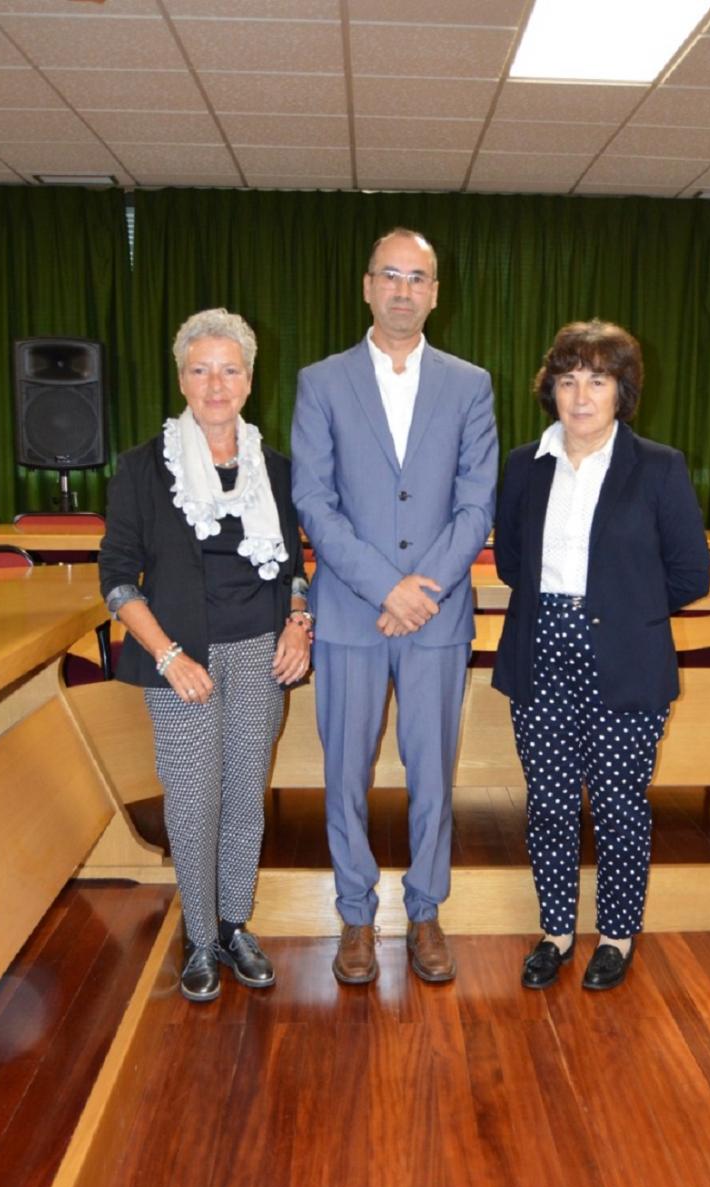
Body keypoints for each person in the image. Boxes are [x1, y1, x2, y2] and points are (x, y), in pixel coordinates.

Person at [291, 228, 498, 985]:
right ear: (368, 286)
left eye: (419, 278)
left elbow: (477, 504)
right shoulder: (322, 381)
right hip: (350, 612)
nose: (404, 290)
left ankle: (425, 911)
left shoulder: (471, 383)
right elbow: (313, 498)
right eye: (391, 275)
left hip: (437, 616)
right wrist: (387, 586)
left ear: (436, 293)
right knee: (345, 769)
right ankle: (354, 915)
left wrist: (422, 590)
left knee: (432, 771)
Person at [492, 319, 710, 992]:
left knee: (618, 806)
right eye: (567, 379)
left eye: (597, 379)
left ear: (622, 390)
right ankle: (557, 931)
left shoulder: (658, 467)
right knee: (551, 803)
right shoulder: (524, 466)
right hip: (541, 650)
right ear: (550, 389)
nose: (580, 395)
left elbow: (690, 574)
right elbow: (509, 562)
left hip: (624, 656)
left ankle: (615, 936)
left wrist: (625, 613)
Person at [100, 308, 311, 1002]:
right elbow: (117, 578)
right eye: (200, 369)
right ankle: (196, 936)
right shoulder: (140, 468)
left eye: (229, 369)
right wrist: (165, 654)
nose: (215, 384)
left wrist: (298, 624)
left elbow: (293, 569)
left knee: (245, 799)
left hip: (259, 652)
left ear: (249, 379)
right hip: (179, 660)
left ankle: (233, 925)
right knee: (193, 803)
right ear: (182, 379)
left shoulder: (274, 469)